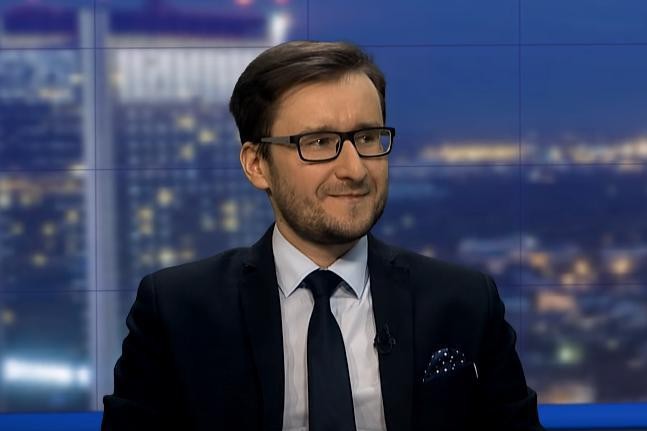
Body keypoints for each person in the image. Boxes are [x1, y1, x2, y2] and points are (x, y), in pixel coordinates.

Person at [102, 40, 545, 431]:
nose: (354, 168)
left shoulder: (465, 301)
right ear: (256, 165)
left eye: (367, 138)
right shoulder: (177, 310)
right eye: (318, 142)